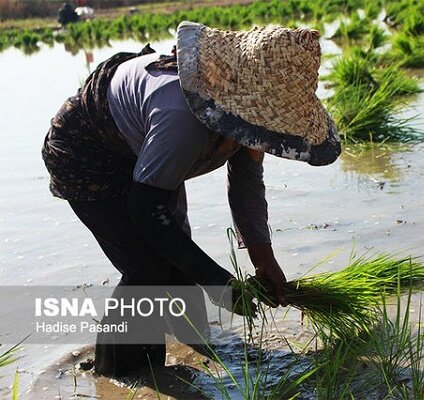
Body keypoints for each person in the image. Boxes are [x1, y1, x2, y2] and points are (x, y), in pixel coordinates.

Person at [41, 21, 341, 377]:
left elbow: (246, 187)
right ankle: (119, 374)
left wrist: (264, 261)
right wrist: (220, 283)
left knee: (176, 251)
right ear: (246, 110)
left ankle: (194, 346)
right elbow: (145, 208)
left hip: (143, 152)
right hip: (86, 152)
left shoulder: (244, 120)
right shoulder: (183, 120)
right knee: (145, 268)